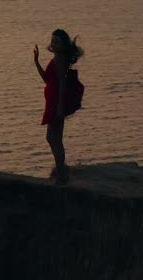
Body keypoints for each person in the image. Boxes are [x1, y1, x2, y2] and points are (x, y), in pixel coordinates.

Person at [34, 28, 84, 185]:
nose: (54, 44)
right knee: (53, 138)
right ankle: (61, 172)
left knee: (54, 138)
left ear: (63, 44)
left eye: (57, 41)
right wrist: (36, 61)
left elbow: (62, 84)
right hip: (51, 102)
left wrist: (60, 107)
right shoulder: (56, 58)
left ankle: (61, 174)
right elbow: (47, 79)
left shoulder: (60, 59)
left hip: (56, 103)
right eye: (52, 41)